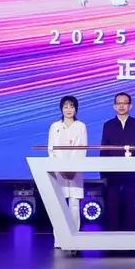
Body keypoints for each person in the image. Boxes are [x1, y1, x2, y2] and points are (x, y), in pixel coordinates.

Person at [100, 92, 135, 231]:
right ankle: (112, 235)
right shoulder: (108, 125)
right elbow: (104, 149)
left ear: (130, 106)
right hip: (112, 171)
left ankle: (130, 236)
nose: (121, 106)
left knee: (130, 204)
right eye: (118, 103)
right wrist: (103, 173)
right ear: (114, 106)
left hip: (131, 171)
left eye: (124, 103)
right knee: (112, 204)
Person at [48, 95, 87, 254]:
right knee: (59, 204)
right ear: (61, 109)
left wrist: (74, 168)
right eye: (66, 107)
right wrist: (60, 168)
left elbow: (83, 148)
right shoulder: (55, 126)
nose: (69, 110)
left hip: (75, 171)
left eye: (72, 106)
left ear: (76, 109)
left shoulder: (81, 126)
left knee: (74, 204)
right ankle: (59, 239)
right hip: (59, 171)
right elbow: (51, 149)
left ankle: (73, 238)